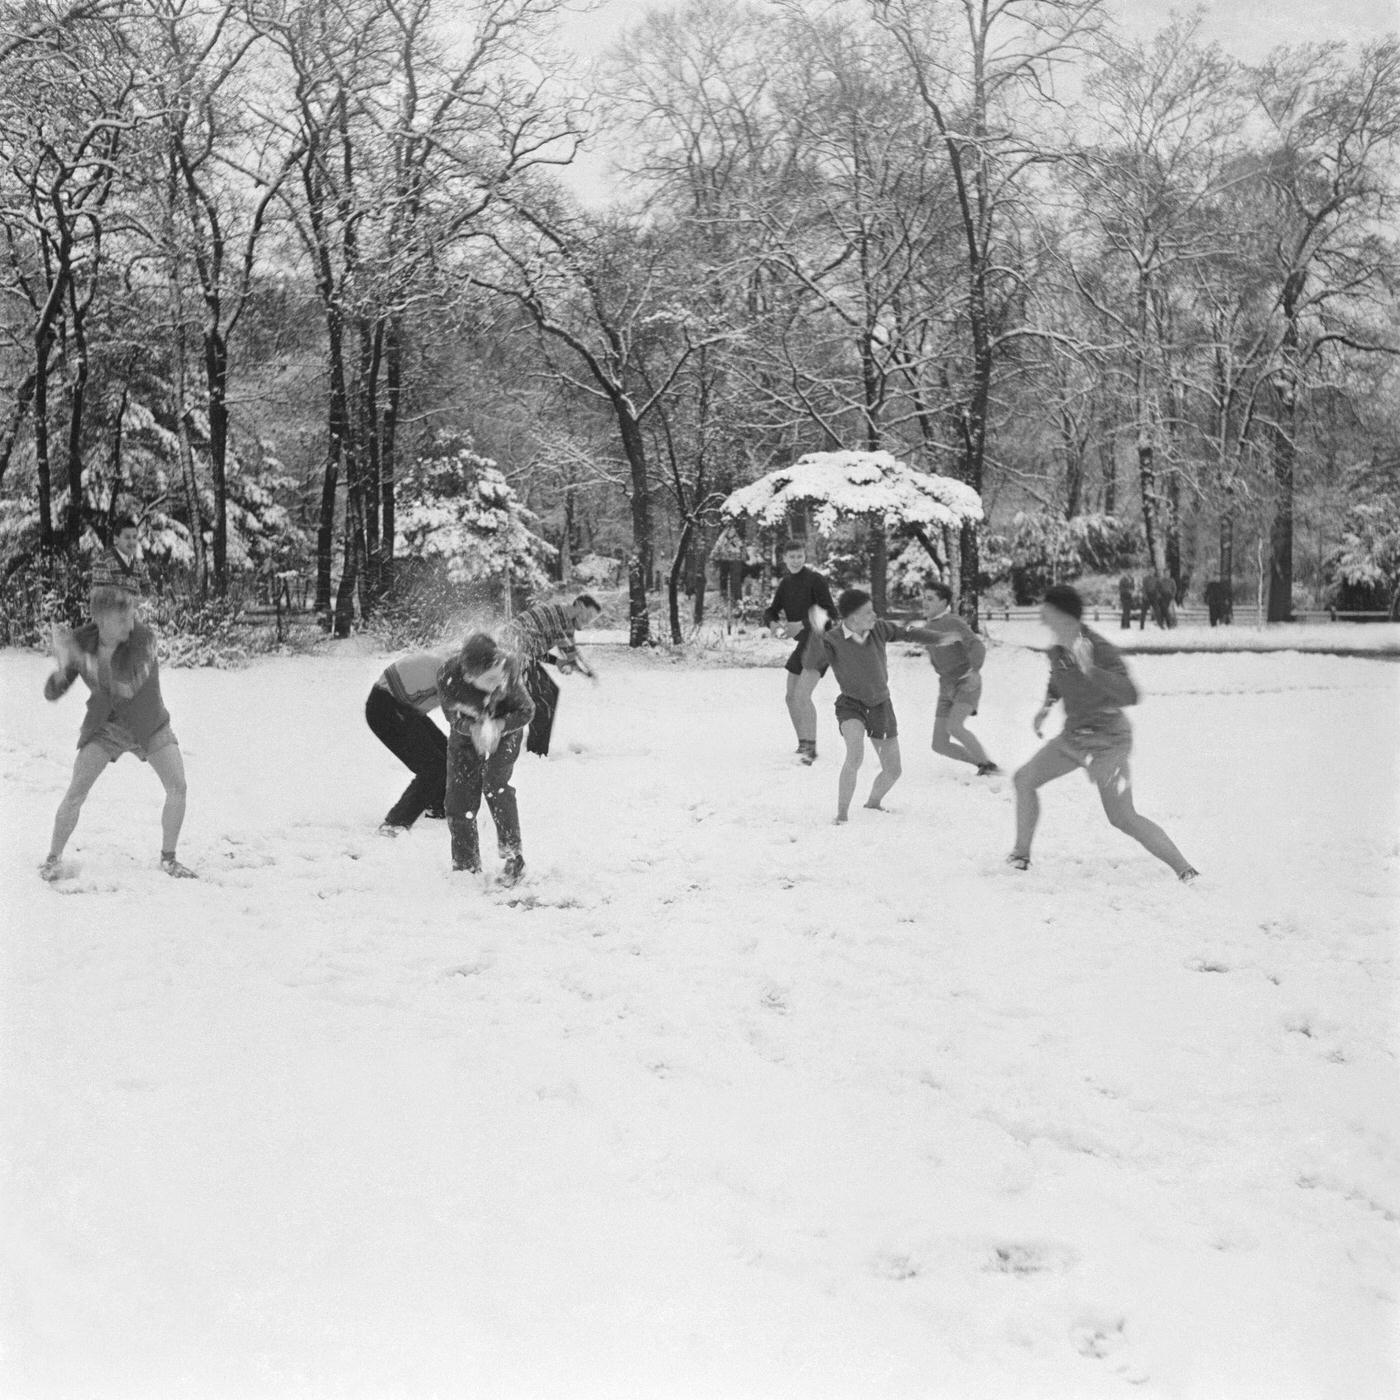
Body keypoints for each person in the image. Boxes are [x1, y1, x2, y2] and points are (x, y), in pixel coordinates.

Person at [1007, 584, 1198, 883]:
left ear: (1061, 613)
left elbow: (1132, 695)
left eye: (1047, 609)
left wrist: (1092, 670)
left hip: (1108, 741)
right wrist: (1046, 707)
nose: (1041, 616)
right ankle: (1020, 856)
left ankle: (1185, 869)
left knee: (1122, 817)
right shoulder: (1058, 648)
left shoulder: (1097, 647)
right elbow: (1057, 679)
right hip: (1074, 738)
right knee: (1024, 780)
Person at [39, 564, 193, 881]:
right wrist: (61, 667)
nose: (130, 622)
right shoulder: (83, 640)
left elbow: (127, 688)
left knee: (177, 786)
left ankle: (169, 859)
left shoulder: (144, 638)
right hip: (105, 726)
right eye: (122, 618)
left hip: (149, 724)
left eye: (132, 614)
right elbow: (53, 692)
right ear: (100, 618)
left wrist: (79, 659)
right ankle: (53, 859)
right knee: (75, 792)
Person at [804, 588, 932, 823]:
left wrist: (938, 637)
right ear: (852, 618)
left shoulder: (879, 629)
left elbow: (908, 633)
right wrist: (816, 632)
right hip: (851, 705)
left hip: (881, 705)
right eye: (868, 612)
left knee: (893, 770)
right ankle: (841, 815)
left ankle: (873, 803)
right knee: (855, 755)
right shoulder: (833, 639)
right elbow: (812, 661)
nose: (875, 615)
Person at [436, 632, 535, 884]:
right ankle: (466, 865)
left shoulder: (507, 668)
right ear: (469, 677)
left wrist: (500, 725)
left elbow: (527, 710)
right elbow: (452, 717)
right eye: (487, 680)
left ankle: (514, 857)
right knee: (458, 796)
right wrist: (473, 730)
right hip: (467, 730)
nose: (495, 684)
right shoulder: (448, 677)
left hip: (507, 726)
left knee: (495, 783)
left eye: (496, 677)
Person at [366, 645, 456, 834]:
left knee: (446, 752)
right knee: (433, 766)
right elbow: (456, 715)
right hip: (385, 708)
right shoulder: (450, 671)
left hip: (402, 707)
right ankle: (395, 822)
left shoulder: (456, 662)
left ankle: (437, 807)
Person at [763, 540, 836, 764]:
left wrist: (803, 624)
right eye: (791, 556)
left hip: (820, 643)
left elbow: (830, 613)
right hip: (803, 644)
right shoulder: (785, 583)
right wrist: (773, 624)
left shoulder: (815, 580)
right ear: (784, 559)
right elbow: (771, 611)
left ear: (805, 557)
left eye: (799, 556)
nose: (796, 560)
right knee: (790, 696)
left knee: (803, 695)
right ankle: (803, 743)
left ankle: (811, 750)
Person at [916, 582, 999, 776]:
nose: (925, 602)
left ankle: (989, 767)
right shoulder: (928, 627)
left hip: (966, 682)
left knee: (954, 726)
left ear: (944, 602)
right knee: (939, 744)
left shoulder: (953, 622)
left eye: (930, 599)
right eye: (924, 598)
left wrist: (975, 671)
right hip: (946, 687)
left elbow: (976, 645)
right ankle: (982, 764)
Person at [503, 595, 602, 757]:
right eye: (589, 616)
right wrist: (579, 667)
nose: (588, 622)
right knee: (544, 698)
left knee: (550, 693)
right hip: (509, 654)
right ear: (579, 605)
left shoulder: (566, 624)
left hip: (522, 656)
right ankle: (535, 752)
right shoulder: (556, 614)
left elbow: (540, 648)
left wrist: (565, 664)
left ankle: (537, 749)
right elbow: (569, 651)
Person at [97, 513, 149, 597]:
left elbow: (148, 596)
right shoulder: (104, 563)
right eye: (127, 537)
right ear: (116, 539)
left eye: (134, 537)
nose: (132, 542)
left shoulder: (140, 566)